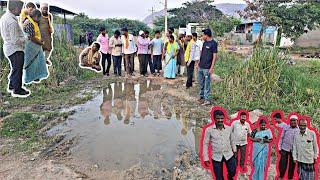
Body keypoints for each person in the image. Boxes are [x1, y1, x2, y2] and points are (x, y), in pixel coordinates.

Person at [0, 0, 30, 96]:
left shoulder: (5, 17)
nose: (21, 11)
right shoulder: (11, 21)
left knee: (15, 68)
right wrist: (25, 39)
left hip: (9, 47)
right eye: (20, 9)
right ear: (15, 8)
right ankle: (17, 89)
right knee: (18, 68)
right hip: (15, 48)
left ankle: (12, 85)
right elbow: (15, 40)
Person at [202, 109, 237, 180]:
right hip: (216, 156)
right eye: (218, 118)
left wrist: (235, 150)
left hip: (229, 154)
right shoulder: (209, 130)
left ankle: (229, 177)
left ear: (224, 118)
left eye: (221, 118)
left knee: (233, 171)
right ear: (214, 119)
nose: (220, 120)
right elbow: (205, 144)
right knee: (219, 177)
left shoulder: (229, 129)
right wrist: (206, 158)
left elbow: (232, 140)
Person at [22, 9, 49, 84]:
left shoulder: (31, 21)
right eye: (38, 18)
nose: (38, 20)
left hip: (33, 46)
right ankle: (29, 78)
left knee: (36, 62)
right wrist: (40, 43)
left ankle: (35, 77)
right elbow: (32, 37)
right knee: (31, 63)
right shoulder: (29, 23)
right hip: (31, 46)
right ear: (36, 16)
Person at [198, 29, 218, 106]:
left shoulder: (214, 43)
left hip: (207, 67)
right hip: (201, 66)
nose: (202, 36)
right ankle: (201, 96)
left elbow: (215, 56)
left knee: (207, 84)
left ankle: (207, 99)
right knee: (201, 82)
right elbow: (202, 53)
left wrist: (211, 67)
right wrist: (198, 62)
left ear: (206, 35)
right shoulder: (204, 43)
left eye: (203, 35)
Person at [277, 114, 299, 180]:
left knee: (292, 165)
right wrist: (279, 147)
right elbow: (281, 137)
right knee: (283, 163)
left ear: (297, 121)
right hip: (284, 148)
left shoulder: (299, 129)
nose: (292, 122)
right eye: (291, 121)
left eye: (294, 121)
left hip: (294, 150)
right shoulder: (286, 127)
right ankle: (281, 176)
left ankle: (290, 178)